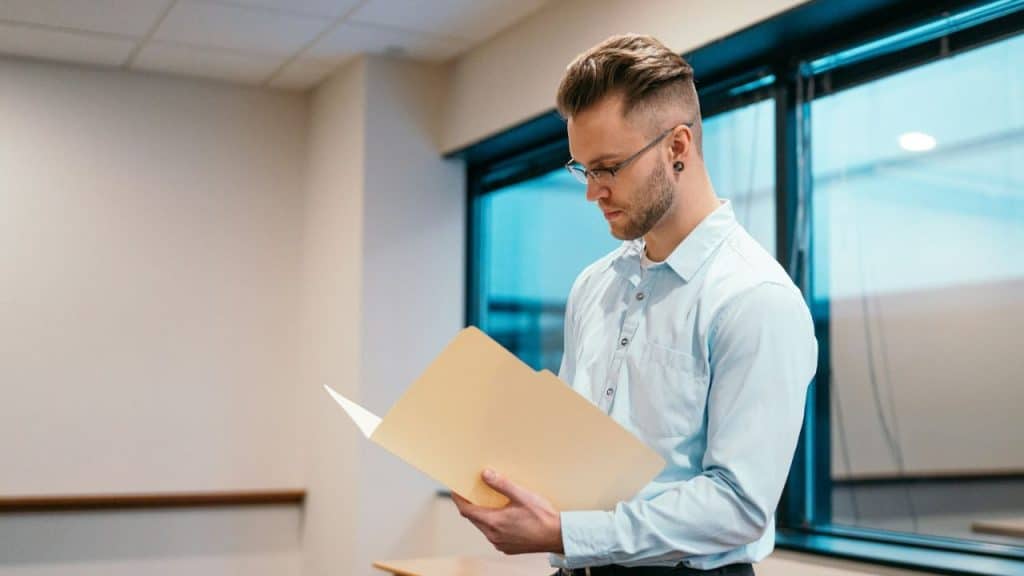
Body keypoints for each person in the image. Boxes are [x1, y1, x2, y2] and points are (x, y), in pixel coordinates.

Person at [453, 33, 818, 576]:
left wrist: (564, 532)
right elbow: (573, 445)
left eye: (608, 167)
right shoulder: (593, 287)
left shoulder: (755, 299)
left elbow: (739, 505)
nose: (591, 191)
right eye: (583, 169)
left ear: (677, 147)